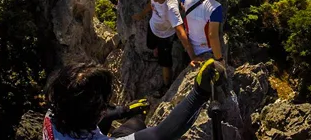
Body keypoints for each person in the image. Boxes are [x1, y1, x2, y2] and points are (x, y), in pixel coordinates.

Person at [43, 59, 226, 139]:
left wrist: (124, 111)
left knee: (135, 122)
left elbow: (98, 117)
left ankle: (136, 117)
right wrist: (199, 92)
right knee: (137, 125)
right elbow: (162, 134)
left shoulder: (55, 112)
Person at [132, 0, 199, 96]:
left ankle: (166, 86)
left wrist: (193, 56)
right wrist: (141, 15)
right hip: (153, 28)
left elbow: (180, 31)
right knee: (151, 45)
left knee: (165, 63)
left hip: (165, 36)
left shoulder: (171, 7)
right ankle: (156, 49)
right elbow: (150, 5)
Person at [181, 0, 227, 66]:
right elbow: (212, 36)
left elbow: (182, 5)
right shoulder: (215, 7)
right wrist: (219, 59)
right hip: (206, 50)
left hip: (190, 47)